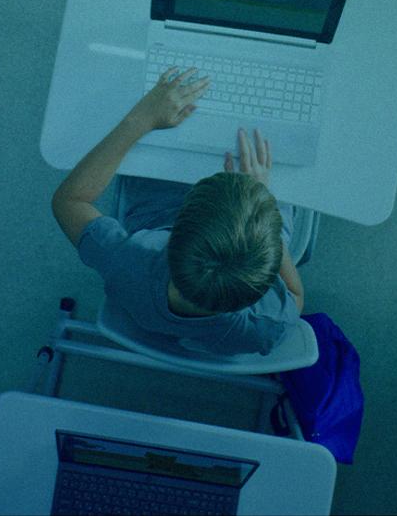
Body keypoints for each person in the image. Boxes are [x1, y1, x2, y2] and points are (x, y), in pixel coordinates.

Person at [50, 68, 307, 356]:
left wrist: (141, 119)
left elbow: (68, 201)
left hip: (157, 218)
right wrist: (263, 203)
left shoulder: (129, 266)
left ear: (172, 237)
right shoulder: (267, 326)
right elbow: (295, 297)